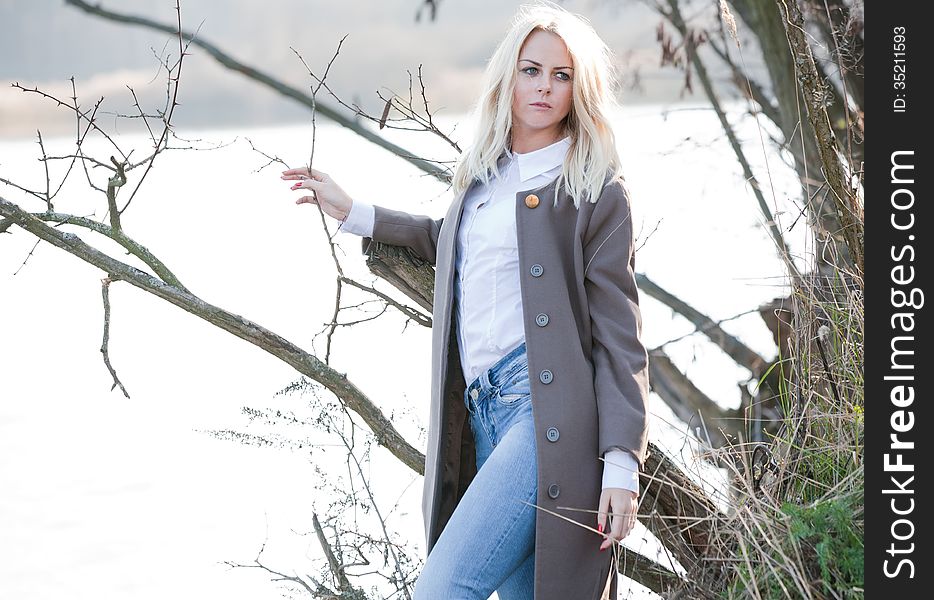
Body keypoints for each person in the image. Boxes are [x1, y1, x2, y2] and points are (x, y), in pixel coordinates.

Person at [281, 2, 649, 598]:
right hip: (481, 418)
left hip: (544, 418)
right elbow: (453, 246)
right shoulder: (485, 178)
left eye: (562, 77)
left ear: (579, 90)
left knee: (443, 589)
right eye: (532, 71)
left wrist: (622, 464)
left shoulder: (592, 190)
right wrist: (358, 214)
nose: (545, 88)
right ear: (508, 77)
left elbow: (621, 338)